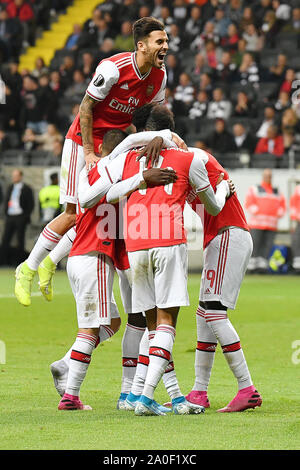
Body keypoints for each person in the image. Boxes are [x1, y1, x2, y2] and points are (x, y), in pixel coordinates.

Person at [79, 103, 235, 415]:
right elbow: (213, 209)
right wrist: (223, 189)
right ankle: (145, 397)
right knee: (167, 324)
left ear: (137, 128)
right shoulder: (188, 158)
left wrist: (138, 180)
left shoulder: (125, 159)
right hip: (167, 242)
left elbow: (100, 197)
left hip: (135, 248)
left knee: (152, 327)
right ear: (170, 127)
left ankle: (167, 396)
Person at [14, 16, 169, 307]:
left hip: (115, 146)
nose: (166, 46)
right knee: (74, 212)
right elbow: (86, 107)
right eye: (160, 41)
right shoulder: (113, 68)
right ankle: (29, 267)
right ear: (142, 45)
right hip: (81, 141)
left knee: (102, 215)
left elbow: (149, 117)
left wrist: (157, 138)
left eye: (166, 41)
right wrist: (87, 151)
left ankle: (51, 262)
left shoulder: (160, 77)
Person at [54, 128, 177, 411]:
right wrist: (162, 141)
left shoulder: (88, 174)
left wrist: (48, 260)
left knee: (112, 323)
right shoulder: (119, 172)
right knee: (90, 329)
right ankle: (71, 396)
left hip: (79, 256)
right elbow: (131, 147)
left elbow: (78, 210)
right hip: (96, 256)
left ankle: (68, 365)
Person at [245, 168, 286, 273]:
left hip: (271, 225)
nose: (268, 178)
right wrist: (258, 211)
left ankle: (262, 267)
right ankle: (251, 267)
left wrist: (279, 213)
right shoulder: (255, 189)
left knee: (267, 246)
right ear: (263, 177)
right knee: (254, 245)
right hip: (257, 224)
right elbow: (249, 203)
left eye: (270, 176)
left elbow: (282, 205)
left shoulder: (277, 191)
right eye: (266, 176)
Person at [0, 169, 34, 266]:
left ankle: (19, 262)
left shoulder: (27, 188)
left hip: (20, 217)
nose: (14, 178)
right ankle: (4, 262)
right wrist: (6, 213)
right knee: (5, 239)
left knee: (20, 240)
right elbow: (7, 200)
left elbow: (30, 204)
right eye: (13, 176)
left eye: (16, 176)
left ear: (20, 176)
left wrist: (25, 216)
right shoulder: (10, 187)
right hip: (10, 216)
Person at [290, 184, 300, 273]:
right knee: (296, 242)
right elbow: (293, 204)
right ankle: (297, 266)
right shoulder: (298, 189)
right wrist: (294, 218)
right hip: (298, 221)